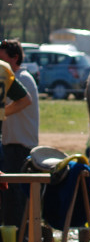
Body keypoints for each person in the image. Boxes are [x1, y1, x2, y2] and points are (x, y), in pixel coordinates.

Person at [0, 39, 36, 229]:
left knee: (15, 197)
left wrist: (1, 112)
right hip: (11, 144)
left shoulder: (21, 78)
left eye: (2, 58)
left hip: (18, 145)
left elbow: (24, 101)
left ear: (14, 58)